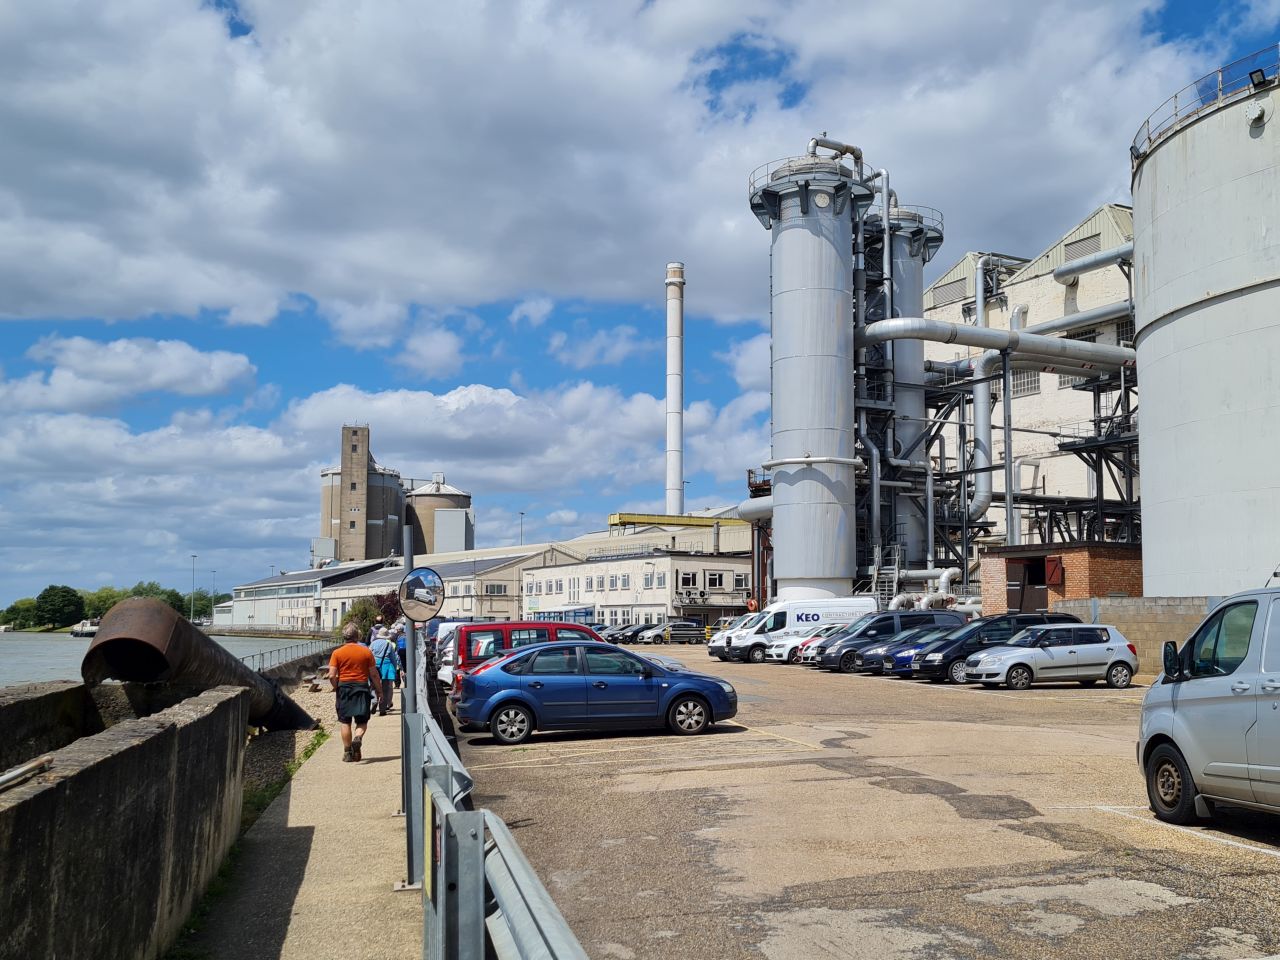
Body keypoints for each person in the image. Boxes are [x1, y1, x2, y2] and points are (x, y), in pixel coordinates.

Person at [329, 622, 382, 762]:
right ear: (357, 635)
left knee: (345, 721)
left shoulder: (337, 653)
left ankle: (347, 753)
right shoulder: (366, 652)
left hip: (344, 689)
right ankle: (357, 738)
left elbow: (331, 675)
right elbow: (374, 675)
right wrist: (379, 691)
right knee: (362, 720)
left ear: (344, 636)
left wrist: (336, 686)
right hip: (362, 688)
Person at [369, 625, 402, 717]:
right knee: (385, 688)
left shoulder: (373, 643)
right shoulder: (389, 644)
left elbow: (369, 655)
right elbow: (393, 658)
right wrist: (395, 669)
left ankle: (374, 700)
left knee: (373, 685)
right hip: (387, 666)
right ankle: (383, 709)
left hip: (375, 666)